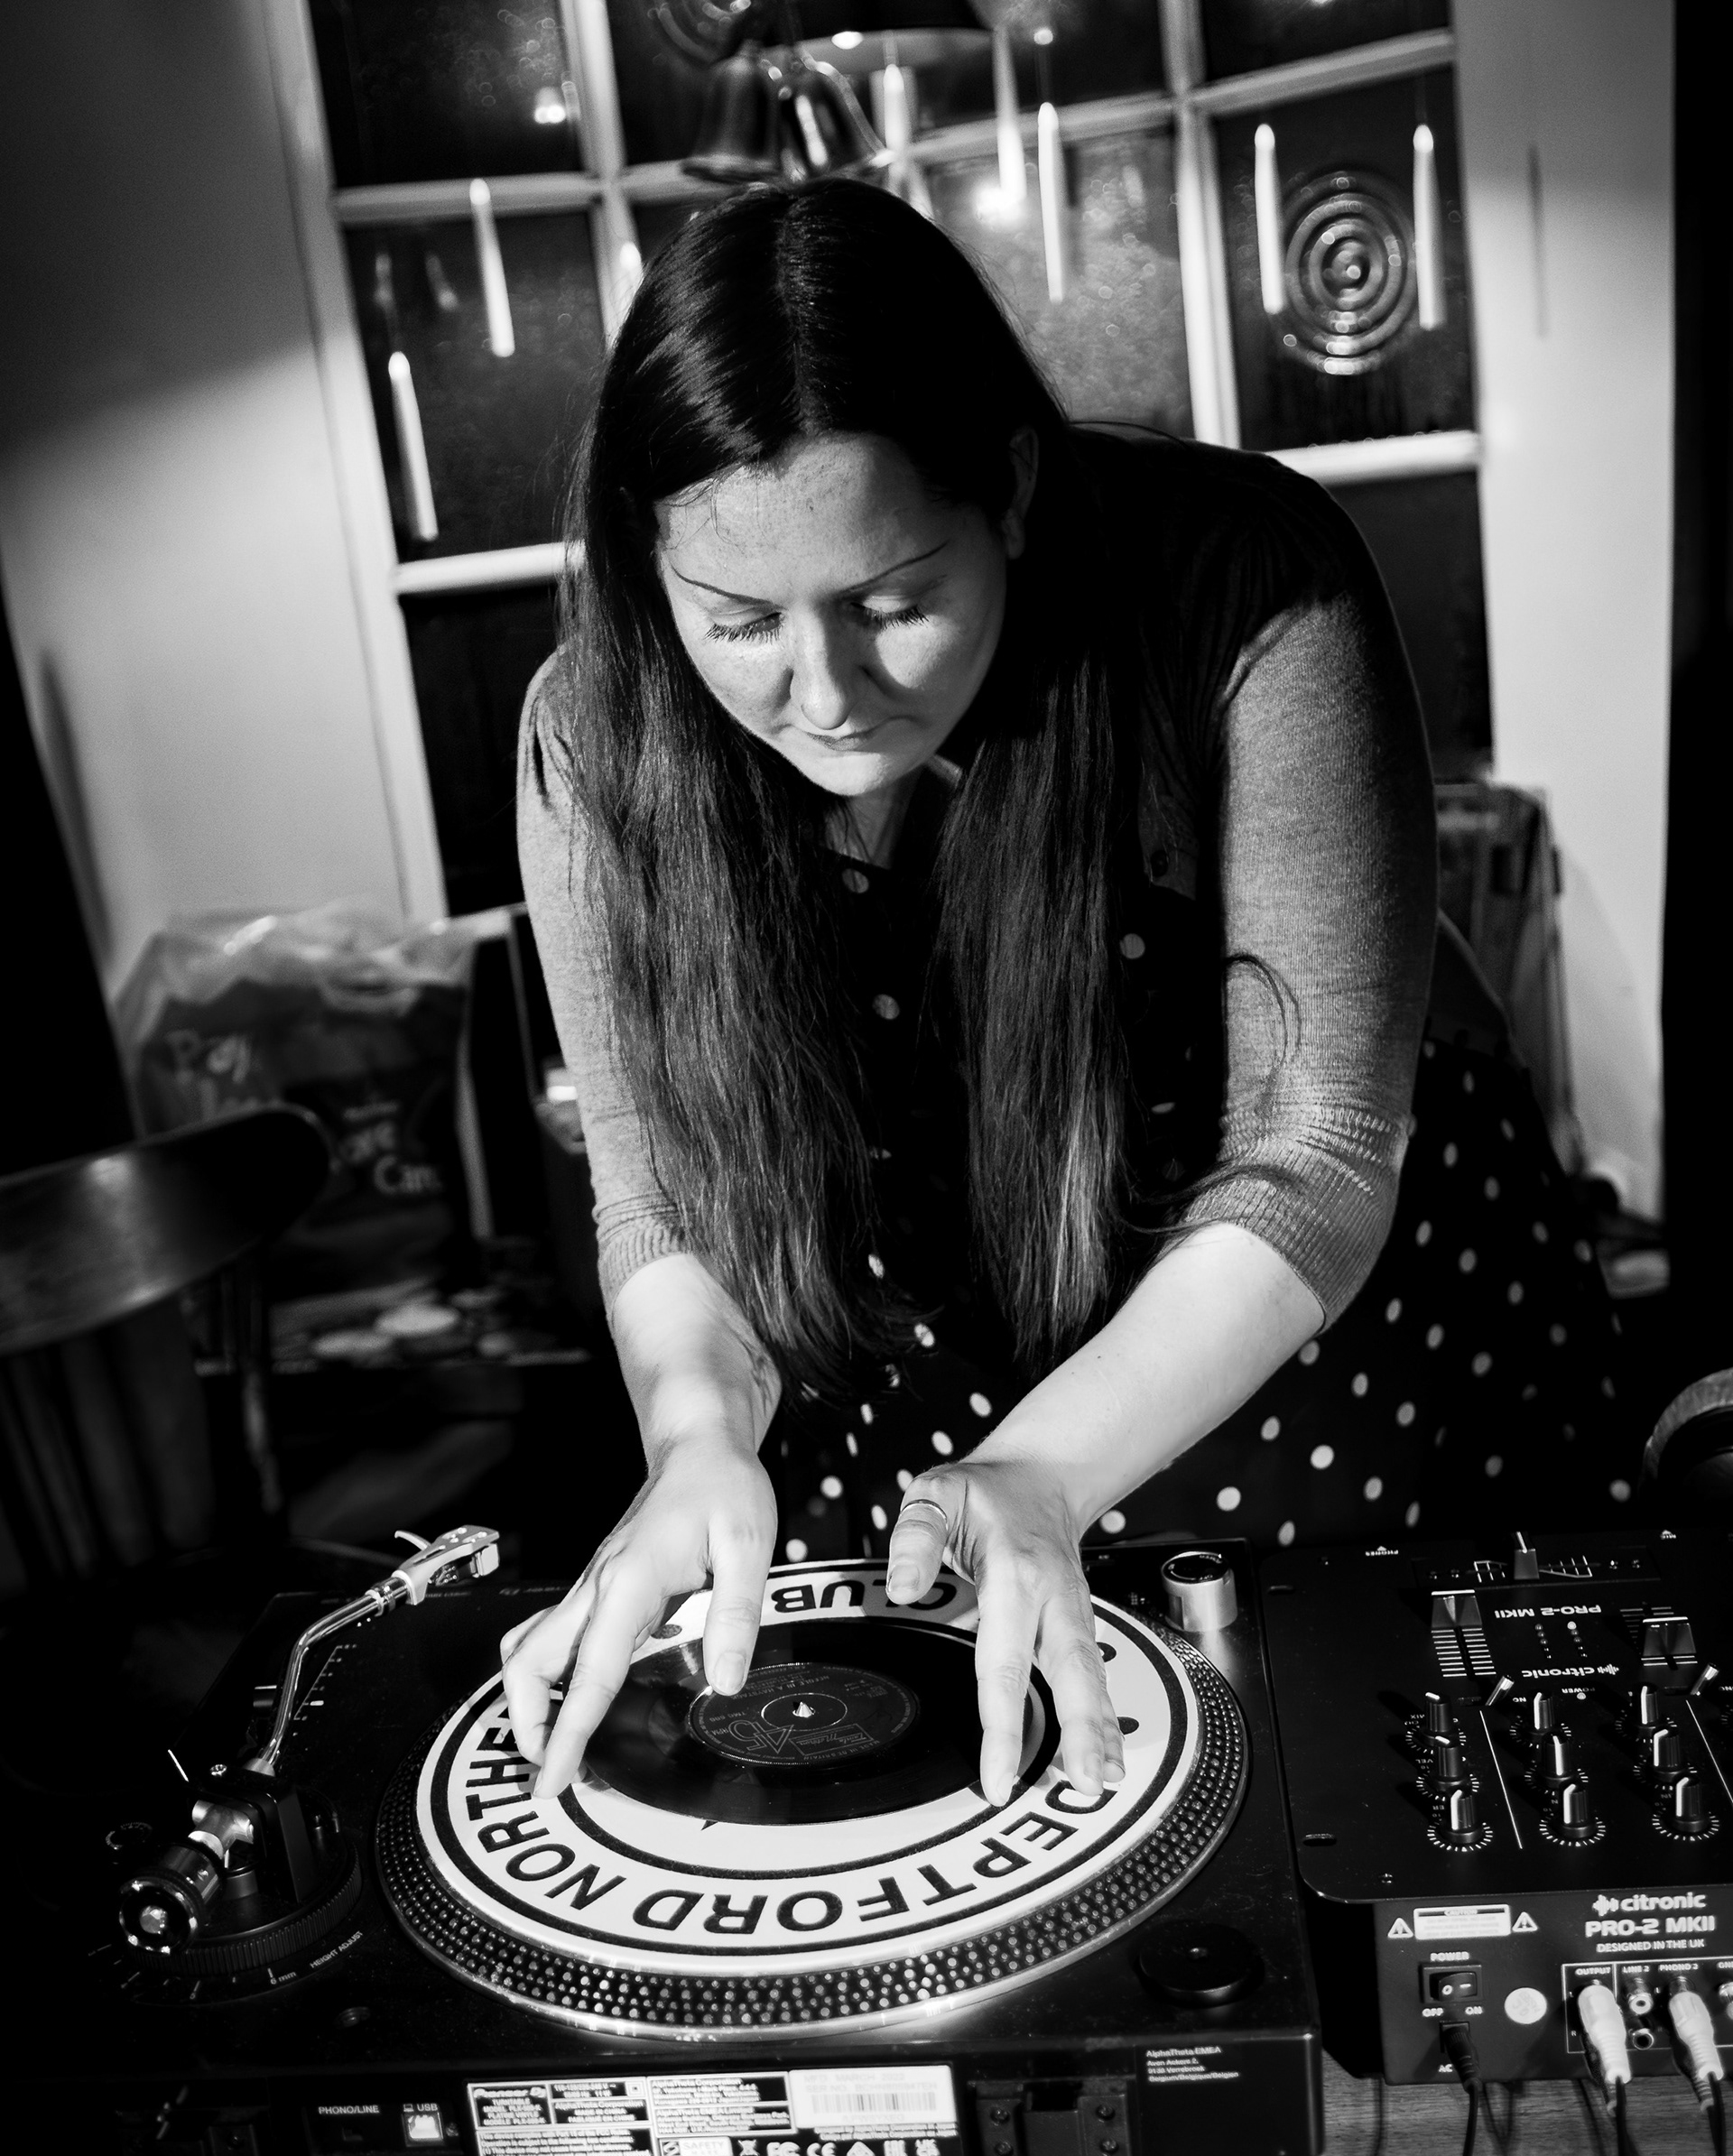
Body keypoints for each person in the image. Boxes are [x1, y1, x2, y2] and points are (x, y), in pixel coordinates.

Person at [505, 177, 1626, 1810]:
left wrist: (1044, 1460)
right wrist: (697, 1432)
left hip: (1315, 1327)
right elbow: (657, 1191)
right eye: (738, 623)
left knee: (1367, 1796)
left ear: (1014, 489)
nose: (826, 694)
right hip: (918, 1348)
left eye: (895, 602)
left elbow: (1315, 1155)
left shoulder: (1242, 581)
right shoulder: (590, 725)